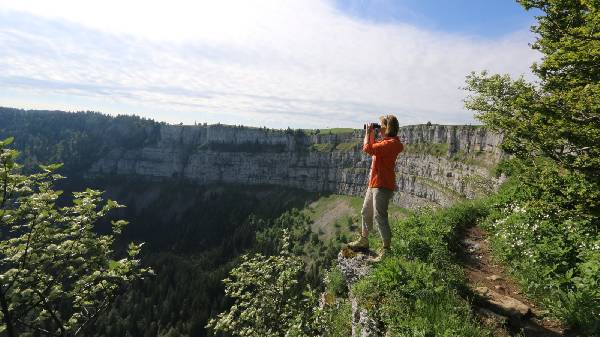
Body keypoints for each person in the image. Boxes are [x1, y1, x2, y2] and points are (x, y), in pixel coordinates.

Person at [348, 114, 403, 262]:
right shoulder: (385, 143)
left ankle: (386, 249)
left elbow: (367, 148)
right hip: (374, 183)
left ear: (387, 128)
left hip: (383, 184)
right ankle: (364, 240)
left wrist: (367, 133)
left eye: (381, 126)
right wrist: (372, 133)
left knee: (380, 216)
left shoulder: (391, 144)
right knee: (365, 211)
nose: (379, 129)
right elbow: (372, 148)